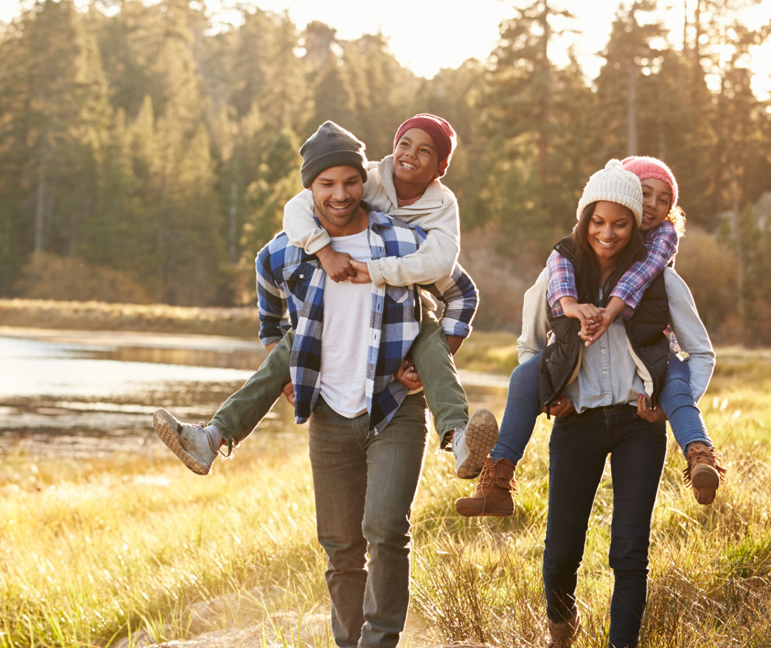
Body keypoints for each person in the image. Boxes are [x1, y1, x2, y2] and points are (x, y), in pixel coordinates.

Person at [182, 121, 436, 647]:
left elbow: (463, 294)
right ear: (309, 188)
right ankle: (349, 643)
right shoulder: (278, 254)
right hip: (327, 412)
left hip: (394, 405)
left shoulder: (402, 240)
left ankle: (380, 641)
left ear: (363, 182)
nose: (340, 194)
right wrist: (282, 380)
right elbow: (271, 325)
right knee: (341, 545)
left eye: (350, 182)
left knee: (387, 530)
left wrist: (435, 356)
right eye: (327, 184)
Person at [154, 114, 496, 480]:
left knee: (430, 341)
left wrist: (424, 358)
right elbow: (298, 208)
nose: (409, 154)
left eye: (425, 150)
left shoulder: (440, 210)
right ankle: (211, 437)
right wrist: (323, 251)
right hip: (333, 311)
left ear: (441, 167)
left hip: (409, 309)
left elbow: (447, 267)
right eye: (404, 144)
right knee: (293, 345)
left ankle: (459, 437)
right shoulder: (366, 180)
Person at [480, 161, 714, 647]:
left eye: (621, 223)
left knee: (630, 552)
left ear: (634, 227)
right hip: (578, 424)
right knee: (561, 553)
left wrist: (674, 403)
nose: (608, 233)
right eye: (599, 222)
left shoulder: (661, 282)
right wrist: (553, 397)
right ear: (586, 220)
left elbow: (700, 351)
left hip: (638, 426)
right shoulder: (557, 279)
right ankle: (561, 632)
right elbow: (529, 351)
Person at [454, 156, 725, 518]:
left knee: (675, 382)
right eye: (645, 194)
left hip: (650, 364)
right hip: (577, 390)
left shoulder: (658, 256)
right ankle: (498, 477)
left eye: (664, 200)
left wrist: (609, 312)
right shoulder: (567, 257)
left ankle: (700, 454)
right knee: (523, 377)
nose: (653, 206)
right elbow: (538, 322)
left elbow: (642, 279)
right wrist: (552, 389)